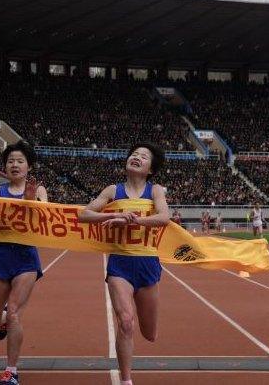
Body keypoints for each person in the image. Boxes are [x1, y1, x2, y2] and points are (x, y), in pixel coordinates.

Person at [80, 143, 170, 385]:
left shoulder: (155, 191)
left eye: (143, 157)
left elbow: (164, 218)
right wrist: (113, 215)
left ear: (150, 169)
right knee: (126, 322)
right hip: (119, 264)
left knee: (149, 333)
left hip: (148, 265)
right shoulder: (113, 190)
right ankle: (126, 381)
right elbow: (84, 214)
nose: (137, 157)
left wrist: (133, 222)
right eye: (134, 154)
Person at [0, 142, 47, 385]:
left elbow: (45, 221)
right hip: (2, 256)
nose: (15, 165)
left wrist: (32, 203)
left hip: (26, 258)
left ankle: (11, 371)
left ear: (28, 166)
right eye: (11, 161)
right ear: (5, 166)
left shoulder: (39, 190)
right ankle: (2, 321)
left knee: (14, 313)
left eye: (20, 161)